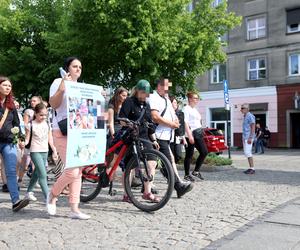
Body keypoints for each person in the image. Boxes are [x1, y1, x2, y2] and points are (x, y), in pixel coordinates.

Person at [47, 56, 90, 219]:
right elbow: (53, 104)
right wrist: (62, 88)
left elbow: (85, 110)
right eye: (75, 66)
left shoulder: (81, 87)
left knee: (78, 171)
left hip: (78, 131)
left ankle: (74, 208)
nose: (78, 69)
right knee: (72, 171)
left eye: (80, 66)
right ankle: (52, 195)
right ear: (67, 68)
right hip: (61, 131)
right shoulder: (58, 82)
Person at [148, 78, 193, 198]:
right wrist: (171, 124)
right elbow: (155, 117)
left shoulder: (166, 98)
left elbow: (172, 113)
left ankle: (148, 185)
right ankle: (178, 186)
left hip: (167, 135)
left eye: (168, 86)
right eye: (165, 86)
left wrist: (176, 121)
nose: (167, 89)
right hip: (158, 135)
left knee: (165, 161)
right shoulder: (154, 97)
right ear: (159, 86)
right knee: (163, 161)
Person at [118, 80, 160, 202]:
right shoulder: (129, 102)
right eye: (143, 92)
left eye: (147, 93)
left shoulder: (147, 105)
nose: (145, 95)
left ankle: (147, 192)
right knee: (130, 167)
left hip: (144, 137)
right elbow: (121, 119)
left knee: (152, 163)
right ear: (137, 91)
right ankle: (126, 194)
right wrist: (128, 123)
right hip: (131, 137)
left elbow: (150, 124)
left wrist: (154, 139)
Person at [0, 76, 29, 211]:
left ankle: (16, 201)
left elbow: (17, 123)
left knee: (11, 171)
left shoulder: (11, 106)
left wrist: (21, 137)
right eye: (5, 85)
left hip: (8, 142)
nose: (7, 88)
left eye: (9, 86)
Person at [24, 103, 58, 202]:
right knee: (43, 174)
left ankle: (28, 192)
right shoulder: (30, 125)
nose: (43, 117)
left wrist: (54, 150)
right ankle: (48, 198)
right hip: (35, 151)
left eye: (45, 115)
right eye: (41, 115)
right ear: (35, 113)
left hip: (45, 151)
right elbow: (27, 139)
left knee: (36, 172)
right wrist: (22, 143)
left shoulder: (47, 124)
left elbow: (50, 139)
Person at [183, 92, 208, 181]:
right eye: (195, 98)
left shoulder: (195, 109)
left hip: (198, 134)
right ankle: (186, 174)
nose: (197, 100)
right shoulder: (186, 109)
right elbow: (185, 122)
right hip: (191, 134)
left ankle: (196, 171)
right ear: (190, 99)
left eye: (197, 98)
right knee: (189, 154)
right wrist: (189, 136)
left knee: (204, 152)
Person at [169, 96, 186, 163]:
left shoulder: (180, 113)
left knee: (178, 156)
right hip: (169, 136)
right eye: (174, 102)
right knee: (170, 156)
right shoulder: (168, 113)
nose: (176, 104)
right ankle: (169, 170)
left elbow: (182, 127)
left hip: (177, 137)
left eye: (176, 103)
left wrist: (183, 138)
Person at [240, 103, 256, 174]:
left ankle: (252, 169)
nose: (241, 110)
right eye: (241, 108)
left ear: (247, 109)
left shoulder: (250, 116)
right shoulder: (245, 116)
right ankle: (250, 168)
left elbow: (253, 127)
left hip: (248, 137)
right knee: (247, 153)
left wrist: (250, 137)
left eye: (242, 108)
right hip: (245, 137)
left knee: (248, 153)